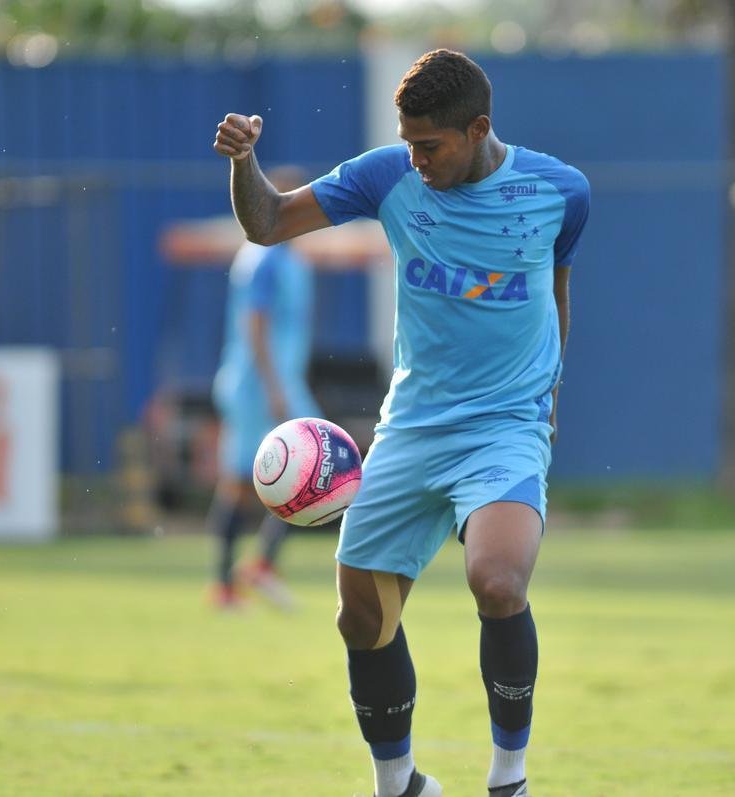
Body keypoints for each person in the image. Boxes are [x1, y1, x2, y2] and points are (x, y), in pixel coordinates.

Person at [213, 49, 589, 797]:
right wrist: (244, 162)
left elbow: (555, 294)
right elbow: (268, 222)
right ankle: (401, 784)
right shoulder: (387, 175)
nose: (415, 160)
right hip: (413, 428)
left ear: (478, 128)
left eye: (430, 145)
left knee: (497, 579)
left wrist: (545, 403)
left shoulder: (560, 192)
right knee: (358, 616)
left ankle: (508, 778)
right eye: (407, 141)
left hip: (503, 425)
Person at [207, 166, 320, 610]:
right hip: (258, 387)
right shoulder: (265, 258)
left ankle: (248, 573)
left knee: (304, 469)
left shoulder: (290, 258)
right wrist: (275, 388)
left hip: (275, 383)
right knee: (311, 463)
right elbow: (254, 326)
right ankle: (240, 577)